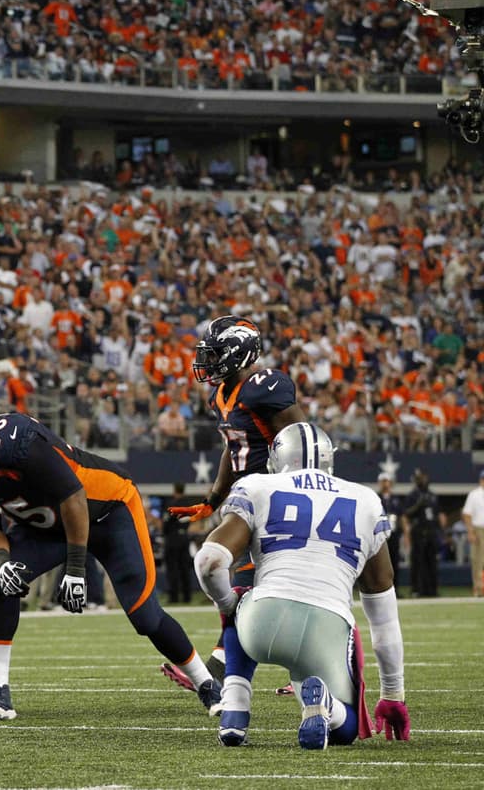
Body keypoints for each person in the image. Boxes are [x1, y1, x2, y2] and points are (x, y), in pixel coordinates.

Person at [0, 378, 220, 721]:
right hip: (50, 528)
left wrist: (75, 570)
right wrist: (2, 560)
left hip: (107, 512)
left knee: (144, 615)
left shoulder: (15, 438)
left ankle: (207, 683)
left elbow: (72, 496)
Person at [194, 423, 411, 748]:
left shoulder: (257, 485)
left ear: (276, 458)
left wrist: (227, 607)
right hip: (329, 628)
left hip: (261, 623)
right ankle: (328, 706)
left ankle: (235, 706)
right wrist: (393, 693)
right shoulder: (365, 499)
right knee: (346, 728)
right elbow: (383, 617)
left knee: (238, 600)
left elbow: (210, 561)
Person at [168, 315, 306, 689]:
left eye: (214, 355)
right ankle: (301, 669)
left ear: (238, 353)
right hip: (247, 498)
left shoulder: (266, 386)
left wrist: (303, 494)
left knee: (248, 582)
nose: (207, 363)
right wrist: (213, 499)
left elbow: (303, 440)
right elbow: (234, 448)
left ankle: (220, 665)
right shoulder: (220, 394)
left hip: (277, 496)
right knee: (255, 585)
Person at [404, 469, 442, 598]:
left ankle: (432, 589)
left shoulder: (432, 495)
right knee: (418, 562)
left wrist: (439, 530)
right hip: (418, 531)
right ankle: (417, 589)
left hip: (431, 531)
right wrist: (418, 505)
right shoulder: (413, 496)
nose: (424, 480)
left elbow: (437, 515)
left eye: (425, 477)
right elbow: (407, 513)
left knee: (432, 562)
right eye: (421, 478)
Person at [161, 483, 194, 605]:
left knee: (172, 568)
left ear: (174, 491)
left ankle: (174, 596)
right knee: (184, 567)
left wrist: (165, 532)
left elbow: (166, 522)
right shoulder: (189, 505)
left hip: (173, 538)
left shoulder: (172, 504)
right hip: (185, 537)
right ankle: (187, 596)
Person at [462, 470, 484, 597]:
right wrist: (470, 531)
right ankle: (478, 588)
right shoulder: (474, 494)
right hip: (479, 529)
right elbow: (467, 514)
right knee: (477, 559)